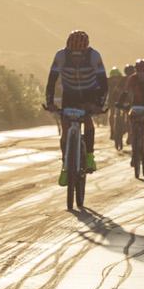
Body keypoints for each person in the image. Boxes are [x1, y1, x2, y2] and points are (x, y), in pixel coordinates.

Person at [44, 30, 108, 183]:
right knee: (66, 127)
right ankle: (65, 164)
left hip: (90, 92)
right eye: (73, 54)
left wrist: (98, 105)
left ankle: (90, 156)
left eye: (80, 54)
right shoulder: (60, 56)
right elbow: (51, 81)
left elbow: (103, 83)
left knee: (87, 120)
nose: (76, 58)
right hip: (70, 94)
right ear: (68, 50)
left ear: (86, 50)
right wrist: (50, 102)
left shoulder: (94, 56)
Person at [120, 60, 144, 162]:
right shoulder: (132, 78)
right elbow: (125, 91)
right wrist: (120, 102)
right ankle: (131, 135)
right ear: (136, 70)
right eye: (139, 70)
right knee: (131, 117)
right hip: (135, 103)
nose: (142, 72)